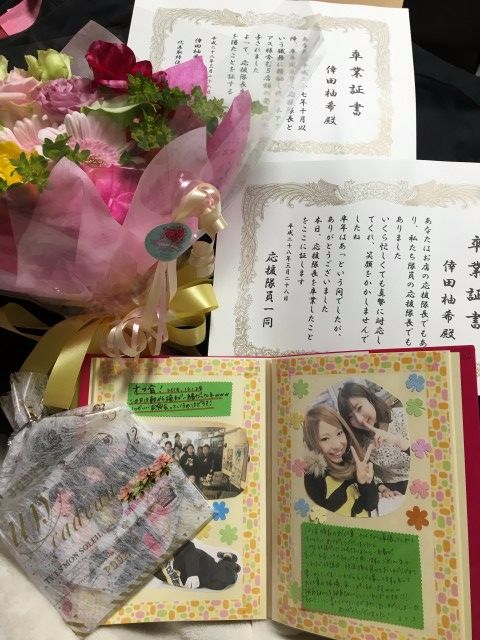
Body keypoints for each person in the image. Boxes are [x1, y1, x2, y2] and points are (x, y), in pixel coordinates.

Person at [303, 404, 378, 517]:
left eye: (339, 433)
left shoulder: (353, 462)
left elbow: (371, 505)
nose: (337, 445)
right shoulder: (313, 479)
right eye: (325, 438)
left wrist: (365, 484)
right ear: (312, 443)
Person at [337, 381, 410, 497]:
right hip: (394, 491)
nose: (359, 419)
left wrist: (398, 441)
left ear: (370, 399)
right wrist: (383, 488)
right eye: (350, 417)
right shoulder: (362, 443)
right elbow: (371, 472)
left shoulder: (403, 417)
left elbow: (428, 455)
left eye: (359, 408)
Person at [155, 541, 241, 590]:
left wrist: (192, 573)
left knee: (225, 578)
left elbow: (188, 547)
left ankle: (228, 558)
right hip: (194, 580)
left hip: (203, 567)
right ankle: (228, 562)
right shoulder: (150, 564)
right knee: (217, 584)